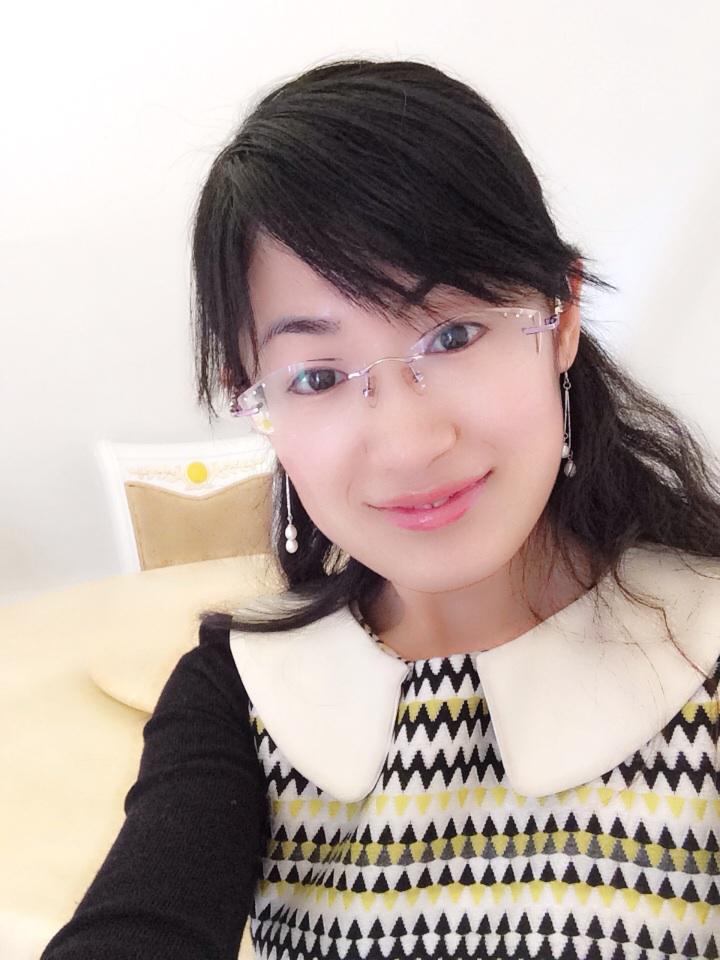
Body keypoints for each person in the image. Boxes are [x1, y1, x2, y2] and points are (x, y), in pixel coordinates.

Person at [40, 58, 720, 960]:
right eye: (318, 377)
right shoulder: (241, 693)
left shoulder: (702, 646)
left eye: (454, 333)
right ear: (258, 401)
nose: (407, 443)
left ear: (560, 318)